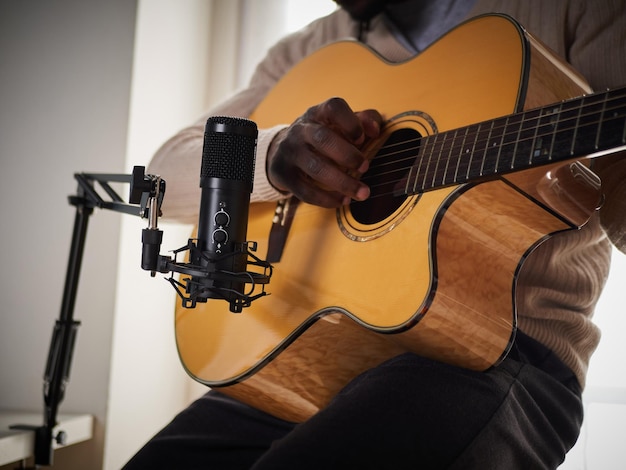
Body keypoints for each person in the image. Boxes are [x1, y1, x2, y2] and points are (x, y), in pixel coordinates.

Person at [124, 1, 626, 468]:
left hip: (496, 359)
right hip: (301, 357)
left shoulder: (579, 8)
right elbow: (161, 179)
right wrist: (271, 159)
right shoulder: (312, 47)